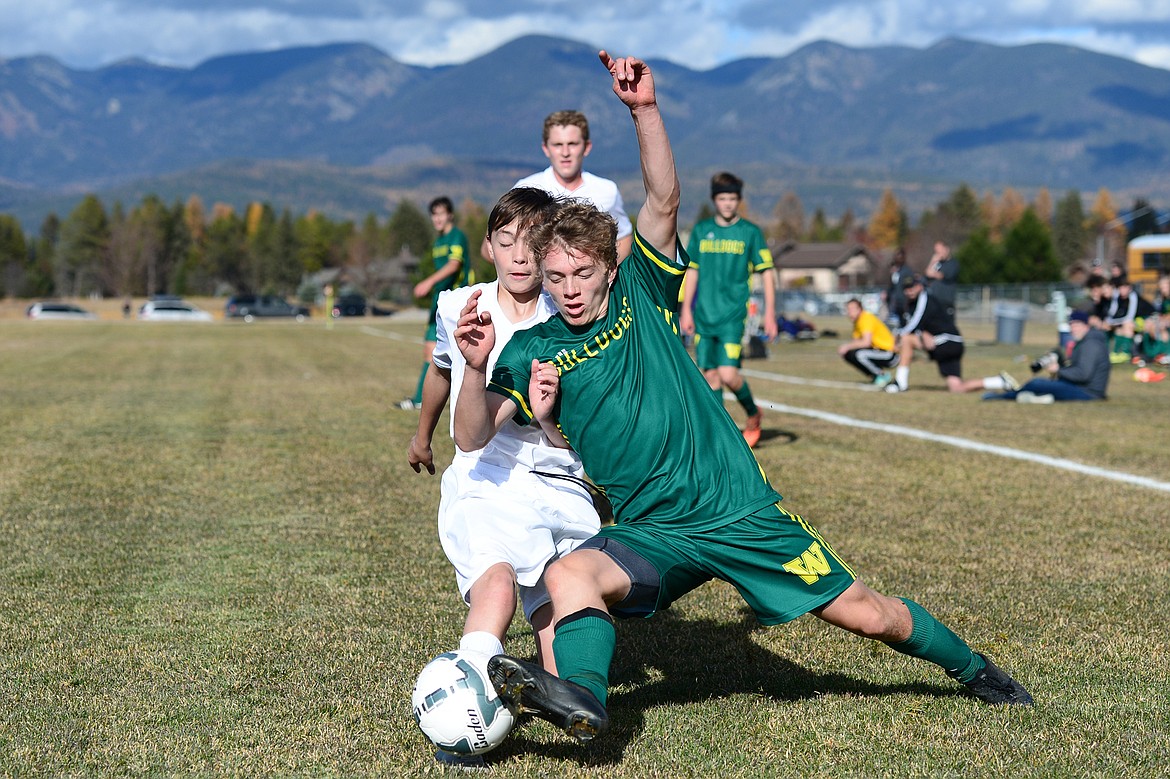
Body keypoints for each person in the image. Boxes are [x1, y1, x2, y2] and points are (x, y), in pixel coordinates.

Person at [452, 50, 1032, 747]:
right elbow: (472, 435)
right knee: (567, 571)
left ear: (610, 265)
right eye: (555, 276)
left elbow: (663, 201)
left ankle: (973, 669)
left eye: (582, 271)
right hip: (653, 531)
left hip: (737, 509)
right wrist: (474, 368)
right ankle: (584, 697)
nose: (569, 287)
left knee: (868, 614)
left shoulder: (641, 294)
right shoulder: (527, 349)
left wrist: (644, 111)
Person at [679, 172, 779, 447]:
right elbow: (693, 272)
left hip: (732, 318)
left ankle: (753, 413)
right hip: (704, 316)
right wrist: (686, 309)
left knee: (728, 375)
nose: (727, 204)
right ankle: (721, 437)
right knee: (709, 377)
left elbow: (767, 273)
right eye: (722, 198)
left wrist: (770, 313)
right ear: (714, 200)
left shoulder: (750, 232)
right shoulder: (701, 231)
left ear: (739, 200)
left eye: (732, 198)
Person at [489, 109, 634, 262]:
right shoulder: (526, 188)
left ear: (587, 147)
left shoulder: (607, 190)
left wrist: (608, 275)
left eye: (572, 144)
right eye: (557, 144)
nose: (565, 152)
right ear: (546, 148)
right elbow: (496, 243)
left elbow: (623, 236)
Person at [399, 196, 473, 410]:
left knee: (461, 355)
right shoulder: (437, 242)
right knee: (430, 350)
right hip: (439, 301)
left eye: (441, 213)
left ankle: (460, 401)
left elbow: (453, 265)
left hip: (458, 301)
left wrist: (428, 281)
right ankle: (420, 399)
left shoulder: (456, 236)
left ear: (450, 214)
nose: (437, 218)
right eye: (434, 214)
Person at [983, 309, 1110, 402]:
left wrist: (1058, 370)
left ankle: (1003, 397)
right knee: (1044, 385)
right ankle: (1029, 396)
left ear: (1086, 325)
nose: (1073, 329)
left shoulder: (1091, 345)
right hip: (1085, 389)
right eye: (1071, 326)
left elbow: (1083, 374)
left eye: (1077, 325)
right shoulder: (1087, 342)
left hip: (1088, 393)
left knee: (1037, 383)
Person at [885, 274, 966, 393]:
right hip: (952, 343)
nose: (909, 291)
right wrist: (922, 334)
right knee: (957, 387)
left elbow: (915, 323)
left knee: (907, 339)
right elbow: (918, 325)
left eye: (912, 287)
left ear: (919, 287)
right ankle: (997, 381)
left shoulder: (925, 299)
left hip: (946, 342)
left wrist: (898, 335)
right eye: (906, 288)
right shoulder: (911, 303)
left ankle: (900, 383)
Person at [838, 297, 897, 385]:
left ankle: (882, 375)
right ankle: (874, 376)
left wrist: (847, 346)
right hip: (877, 351)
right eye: (848, 309)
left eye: (852, 309)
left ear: (860, 309)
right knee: (849, 354)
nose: (849, 312)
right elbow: (856, 342)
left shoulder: (866, 319)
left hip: (889, 353)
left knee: (859, 354)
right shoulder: (857, 322)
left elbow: (866, 342)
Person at [924, 240, 959, 308]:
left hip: (946, 301)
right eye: (937, 252)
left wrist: (933, 274)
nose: (939, 254)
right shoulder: (937, 264)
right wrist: (932, 261)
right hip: (933, 300)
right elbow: (927, 274)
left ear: (947, 249)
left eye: (940, 251)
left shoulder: (952, 263)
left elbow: (945, 275)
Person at [884, 247, 909, 327]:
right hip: (893, 302)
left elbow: (908, 284)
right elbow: (891, 286)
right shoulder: (894, 271)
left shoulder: (906, 271)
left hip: (903, 302)